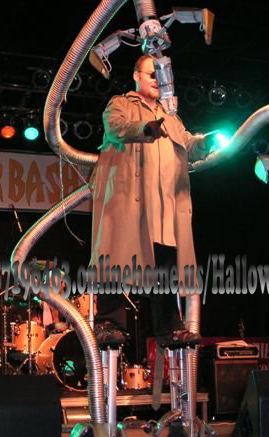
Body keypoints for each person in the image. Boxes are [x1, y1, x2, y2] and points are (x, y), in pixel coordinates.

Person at [90, 54, 208, 346]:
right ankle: (108, 322)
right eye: (151, 73)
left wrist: (203, 143)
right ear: (136, 76)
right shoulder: (122, 104)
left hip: (164, 204)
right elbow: (115, 127)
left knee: (165, 266)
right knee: (115, 257)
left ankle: (169, 329)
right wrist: (145, 128)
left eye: (162, 74)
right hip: (129, 199)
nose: (158, 79)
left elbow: (187, 143)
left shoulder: (171, 116)